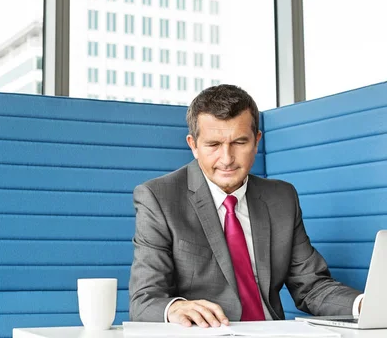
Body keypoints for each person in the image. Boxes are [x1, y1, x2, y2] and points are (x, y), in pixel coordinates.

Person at [129, 84, 363, 328]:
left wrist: (362, 304)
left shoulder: (282, 198)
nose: (227, 158)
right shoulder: (159, 198)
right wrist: (175, 308)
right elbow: (144, 301)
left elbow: (312, 287)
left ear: (257, 140)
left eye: (239, 142)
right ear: (193, 145)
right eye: (213, 145)